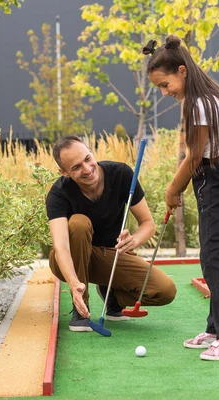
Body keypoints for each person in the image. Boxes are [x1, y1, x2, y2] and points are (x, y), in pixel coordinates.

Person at [144, 35, 219, 361]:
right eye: (160, 88)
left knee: (214, 256)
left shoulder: (198, 104)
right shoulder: (209, 95)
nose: (165, 93)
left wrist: (171, 189)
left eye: (166, 84)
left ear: (182, 70)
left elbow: (193, 158)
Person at [46, 136, 177, 332]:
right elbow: (61, 246)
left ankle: (114, 295)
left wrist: (134, 240)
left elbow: (147, 224)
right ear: (64, 172)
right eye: (76, 167)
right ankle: (81, 307)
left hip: (109, 256)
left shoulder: (121, 174)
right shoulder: (58, 194)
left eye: (87, 159)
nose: (87, 169)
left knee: (164, 291)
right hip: (70, 261)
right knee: (79, 223)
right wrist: (74, 285)